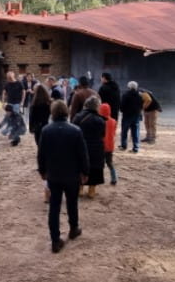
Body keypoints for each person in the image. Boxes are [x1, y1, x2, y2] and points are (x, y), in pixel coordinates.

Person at [38, 100, 89, 254]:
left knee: (54, 206)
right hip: (71, 174)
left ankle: (55, 240)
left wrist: (42, 171)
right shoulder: (76, 130)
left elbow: (41, 154)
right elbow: (82, 154)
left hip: (53, 174)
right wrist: (85, 172)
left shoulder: (46, 131)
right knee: (72, 203)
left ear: (52, 113)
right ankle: (73, 228)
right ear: (66, 112)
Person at [73, 96, 106, 198]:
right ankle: (92, 190)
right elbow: (102, 135)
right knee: (95, 167)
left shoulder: (78, 117)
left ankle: (80, 189)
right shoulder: (100, 120)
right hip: (96, 147)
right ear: (97, 106)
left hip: (80, 146)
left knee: (80, 166)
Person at [119, 81, 143, 153]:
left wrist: (122, 110)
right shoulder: (139, 95)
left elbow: (122, 105)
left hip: (127, 115)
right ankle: (136, 147)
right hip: (136, 115)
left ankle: (124, 145)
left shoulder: (126, 95)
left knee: (124, 131)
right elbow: (141, 105)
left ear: (129, 87)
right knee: (135, 132)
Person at [99, 103, 118, 185]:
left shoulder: (99, 121)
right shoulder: (113, 121)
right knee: (110, 163)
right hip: (110, 146)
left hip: (101, 145)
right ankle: (114, 178)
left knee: (100, 163)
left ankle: (100, 178)